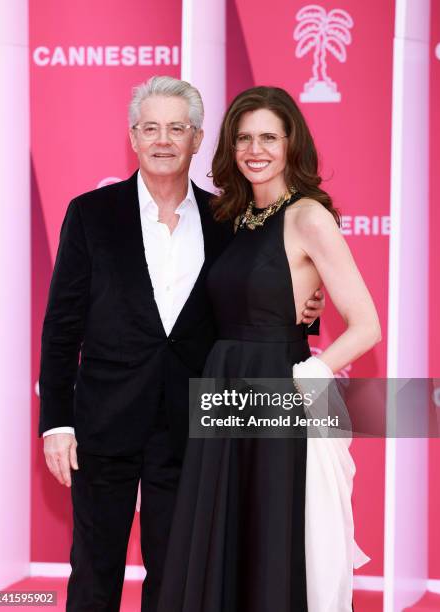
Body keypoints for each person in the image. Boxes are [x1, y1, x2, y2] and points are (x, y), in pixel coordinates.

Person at [38, 76, 325, 612]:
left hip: (194, 426)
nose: (163, 140)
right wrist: (57, 421)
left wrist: (309, 312)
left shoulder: (229, 220)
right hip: (104, 422)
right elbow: (60, 329)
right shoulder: (91, 214)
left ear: (197, 140)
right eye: (151, 128)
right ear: (133, 137)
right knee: (94, 570)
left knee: (179, 577)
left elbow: (254, 300)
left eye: (178, 128)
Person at [157, 86, 381, 612]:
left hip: (279, 388)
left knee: (271, 532)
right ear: (230, 147)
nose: (255, 150)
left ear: (290, 144)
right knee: (224, 533)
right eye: (244, 138)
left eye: (268, 138)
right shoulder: (231, 217)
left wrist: (312, 373)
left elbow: (367, 325)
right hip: (222, 384)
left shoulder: (308, 215)